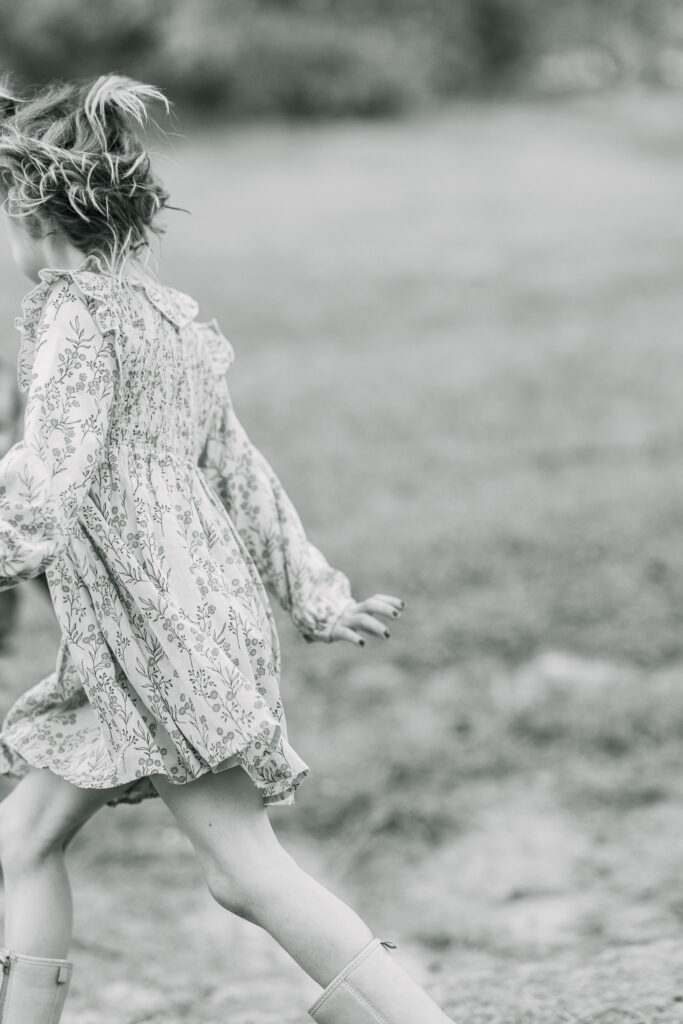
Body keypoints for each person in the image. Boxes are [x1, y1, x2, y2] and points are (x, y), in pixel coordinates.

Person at [0, 75, 454, 1024]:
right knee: (21, 844)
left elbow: (43, 487)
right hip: (155, 629)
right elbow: (241, 471)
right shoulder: (170, 321)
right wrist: (315, 594)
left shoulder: (75, 326)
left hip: (159, 634)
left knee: (243, 873)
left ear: (25, 209)